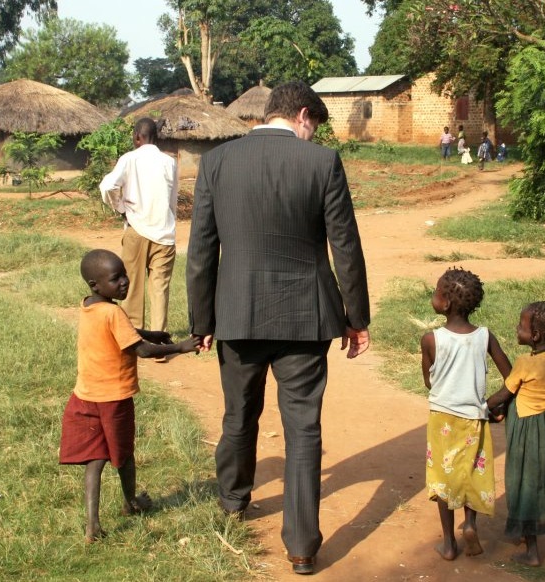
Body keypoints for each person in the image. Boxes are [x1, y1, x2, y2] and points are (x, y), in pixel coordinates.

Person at [186, 80, 370, 575]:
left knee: (239, 413)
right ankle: (303, 546)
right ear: (304, 115)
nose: (314, 135)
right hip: (306, 318)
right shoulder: (322, 163)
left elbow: (201, 250)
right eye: (315, 126)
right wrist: (356, 319)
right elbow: (345, 247)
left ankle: (233, 500)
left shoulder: (217, 162)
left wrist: (201, 320)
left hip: (237, 313)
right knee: (304, 428)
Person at [59, 249, 200, 543]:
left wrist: (150, 332)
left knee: (95, 459)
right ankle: (130, 502)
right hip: (114, 398)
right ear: (96, 284)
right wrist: (180, 347)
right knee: (123, 455)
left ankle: (92, 525)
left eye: (124, 274)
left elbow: (123, 331)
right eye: (116, 278)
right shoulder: (113, 312)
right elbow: (142, 351)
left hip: (85, 394)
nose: (125, 281)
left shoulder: (89, 305)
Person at [421, 267, 511, 561]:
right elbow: (511, 376)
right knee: (471, 471)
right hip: (475, 417)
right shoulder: (484, 336)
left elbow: (429, 382)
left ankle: (449, 543)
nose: (433, 296)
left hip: (442, 419)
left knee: (443, 477)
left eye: (436, 292)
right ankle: (470, 524)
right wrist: (495, 403)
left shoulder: (431, 340)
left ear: (446, 303)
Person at [486, 301, 545, 567]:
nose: (517, 329)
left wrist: (482, 407)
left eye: (521, 326)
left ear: (536, 335)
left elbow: (504, 394)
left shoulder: (524, 363)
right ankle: (534, 530)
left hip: (526, 426)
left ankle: (532, 551)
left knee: (524, 480)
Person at [99, 118, 179, 337]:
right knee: (160, 288)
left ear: (136, 137)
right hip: (164, 232)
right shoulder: (170, 162)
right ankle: (159, 338)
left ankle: (134, 337)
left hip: (136, 229)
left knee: (132, 286)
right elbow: (173, 199)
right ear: (156, 137)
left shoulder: (129, 159)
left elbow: (107, 186)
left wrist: (121, 208)